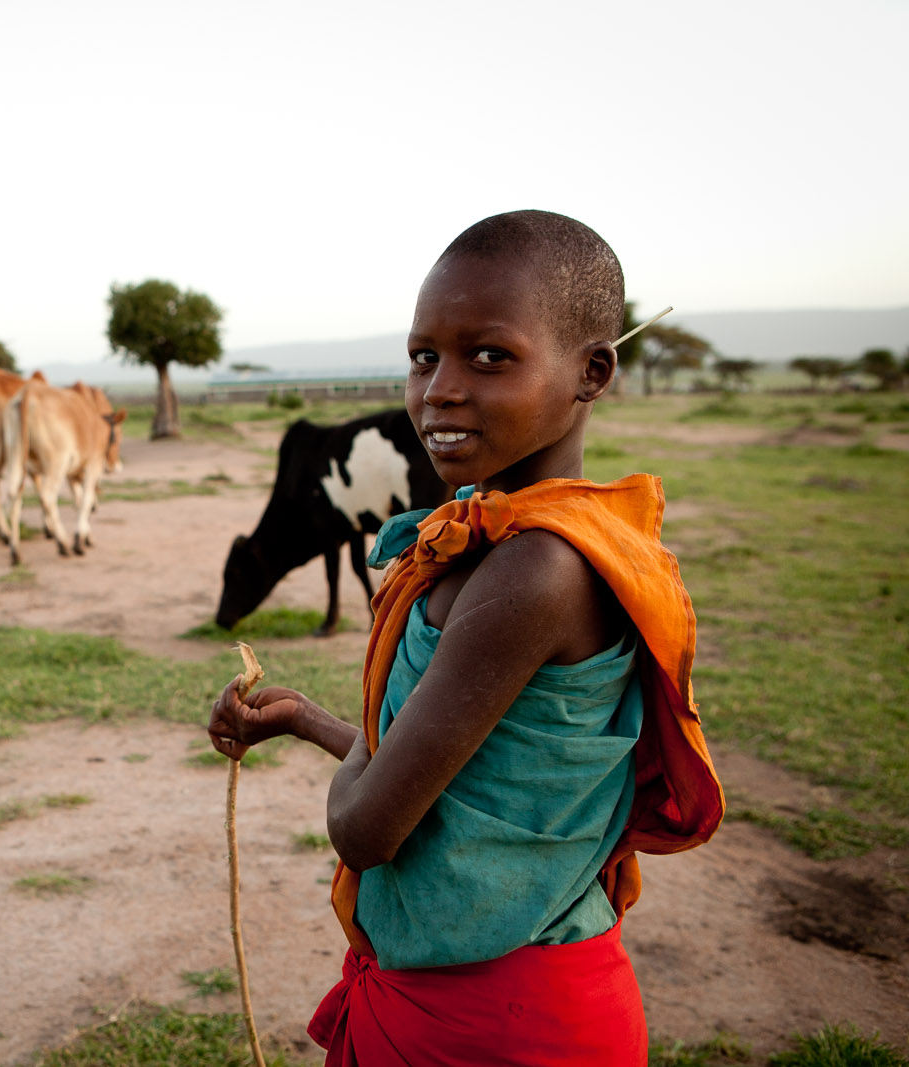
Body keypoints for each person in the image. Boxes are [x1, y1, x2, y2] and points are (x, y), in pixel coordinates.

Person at [208, 210, 723, 1065]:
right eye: (423, 356)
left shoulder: (538, 571)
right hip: (472, 1000)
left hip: (501, 1021)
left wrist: (357, 776)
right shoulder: (481, 541)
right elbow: (448, 768)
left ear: (591, 372)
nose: (439, 387)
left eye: (490, 356)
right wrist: (306, 719)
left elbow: (368, 827)